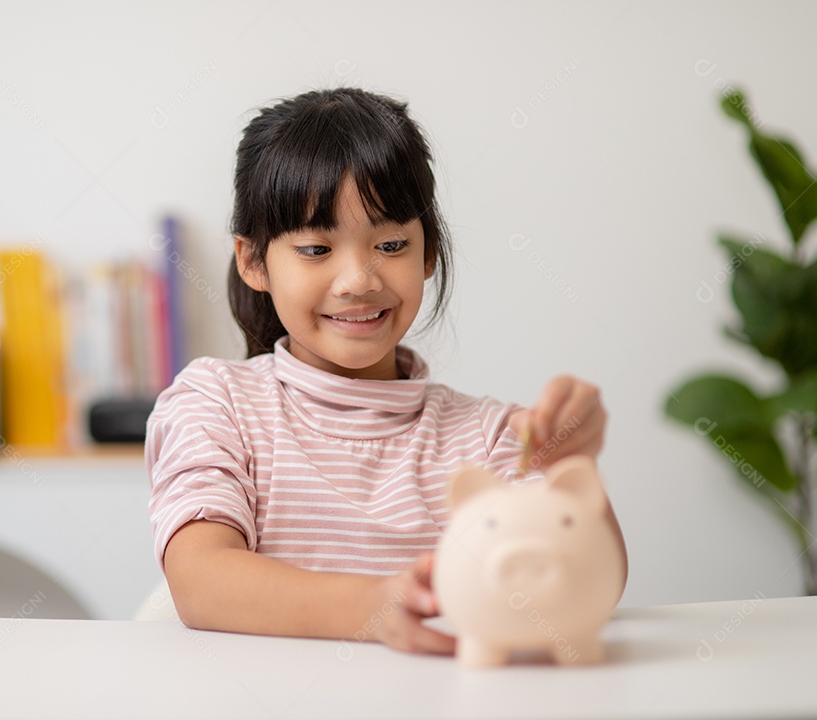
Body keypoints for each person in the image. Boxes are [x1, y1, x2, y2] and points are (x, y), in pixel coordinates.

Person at [146, 87, 624, 654]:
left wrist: (570, 465)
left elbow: (593, 585)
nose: (359, 281)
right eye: (317, 250)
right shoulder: (216, 403)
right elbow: (201, 583)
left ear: (428, 255)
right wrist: (370, 609)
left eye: (391, 243)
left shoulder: (491, 436)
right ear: (253, 260)